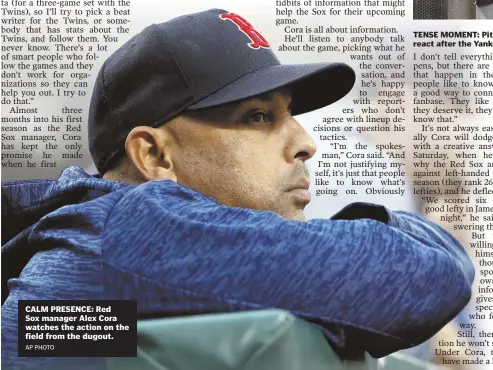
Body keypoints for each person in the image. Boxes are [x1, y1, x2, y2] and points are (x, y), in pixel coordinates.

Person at [1, 9, 474, 369]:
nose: (306, 144)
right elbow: (433, 275)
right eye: (258, 116)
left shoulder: (94, 237)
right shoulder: (139, 223)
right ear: (154, 156)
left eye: (290, 115)